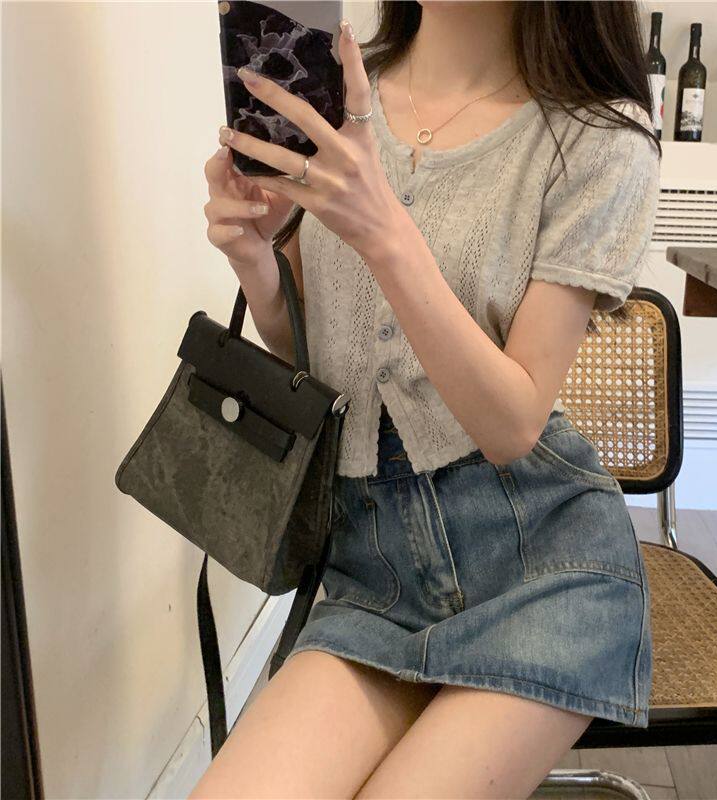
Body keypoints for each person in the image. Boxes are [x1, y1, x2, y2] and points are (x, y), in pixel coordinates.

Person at [191, 1, 661, 796]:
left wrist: (383, 231)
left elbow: (513, 424)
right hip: (371, 574)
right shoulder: (336, 89)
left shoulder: (598, 139)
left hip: (539, 567)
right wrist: (255, 258)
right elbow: (314, 358)